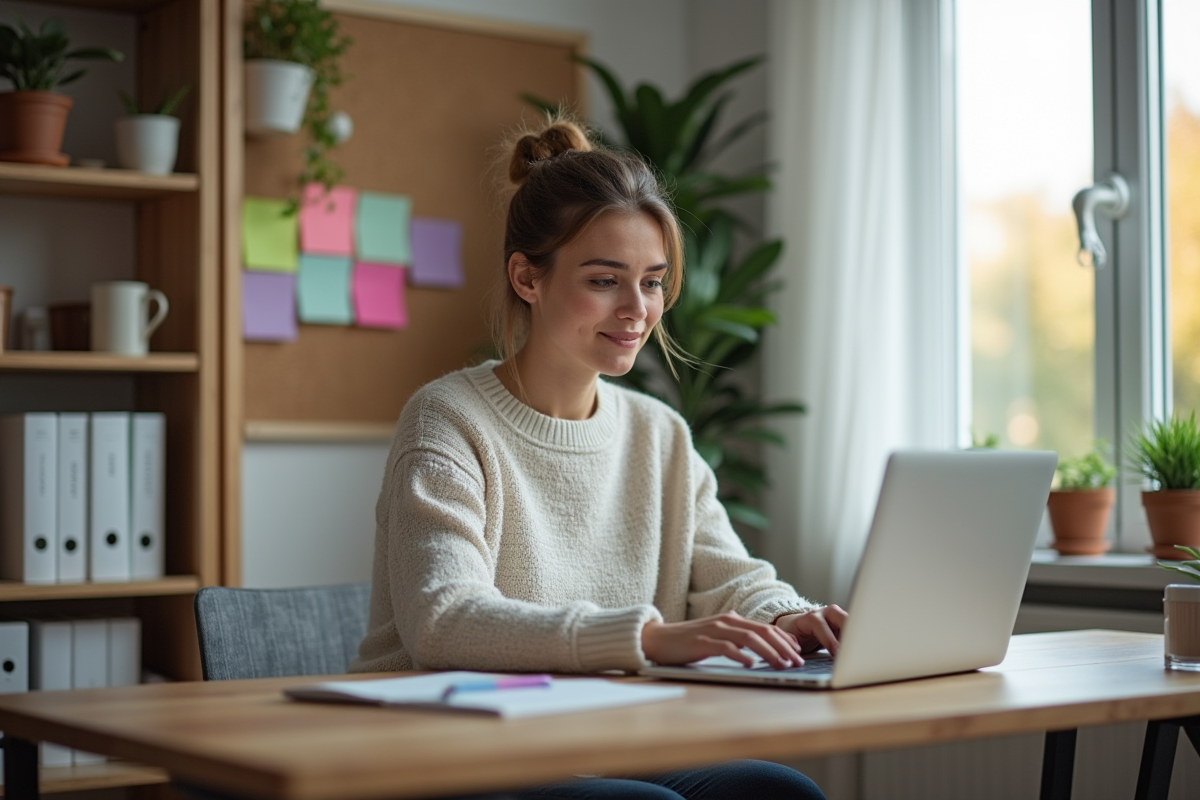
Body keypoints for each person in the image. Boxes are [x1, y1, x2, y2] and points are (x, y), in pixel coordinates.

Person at [351, 118, 846, 800]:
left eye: (651, 282)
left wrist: (788, 616)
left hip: (604, 742)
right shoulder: (448, 419)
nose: (637, 310)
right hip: (450, 753)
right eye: (605, 280)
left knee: (778, 793)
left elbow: (732, 579)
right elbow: (444, 619)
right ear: (527, 277)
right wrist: (644, 637)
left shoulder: (659, 434)